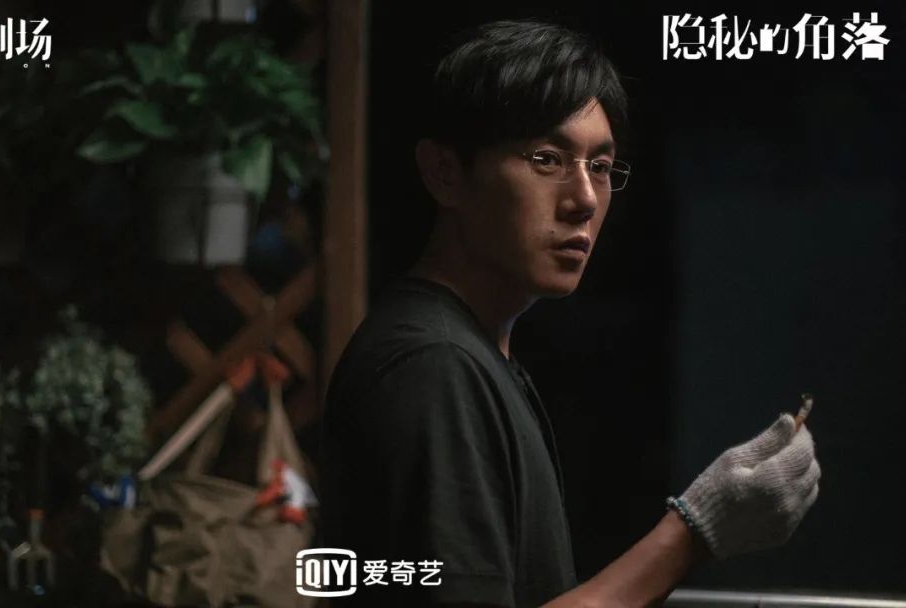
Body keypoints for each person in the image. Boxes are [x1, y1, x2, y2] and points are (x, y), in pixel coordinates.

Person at [319, 19, 820, 608]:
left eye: (600, 167)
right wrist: (695, 531)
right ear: (445, 172)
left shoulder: (475, 354)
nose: (584, 199)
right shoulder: (433, 365)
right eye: (547, 159)